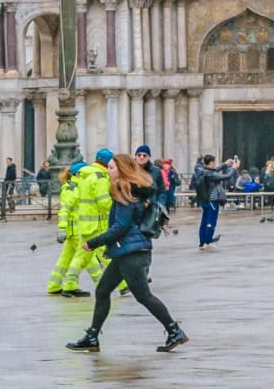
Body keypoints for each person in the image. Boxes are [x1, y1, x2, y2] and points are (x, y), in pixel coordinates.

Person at [64, 150, 187, 355]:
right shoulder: (135, 189)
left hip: (131, 252)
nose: (108, 171)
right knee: (103, 290)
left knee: (143, 296)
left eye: (111, 167)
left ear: (121, 170)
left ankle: (174, 330)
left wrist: (93, 242)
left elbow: (121, 226)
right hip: (128, 251)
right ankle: (92, 336)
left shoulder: (123, 190)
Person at [50, 158, 110, 293]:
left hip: (76, 229)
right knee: (95, 258)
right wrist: (62, 229)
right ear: (78, 174)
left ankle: (55, 285)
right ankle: (111, 285)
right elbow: (64, 210)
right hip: (79, 229)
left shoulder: (76, 186)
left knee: (66, 260)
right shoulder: (73, 188)